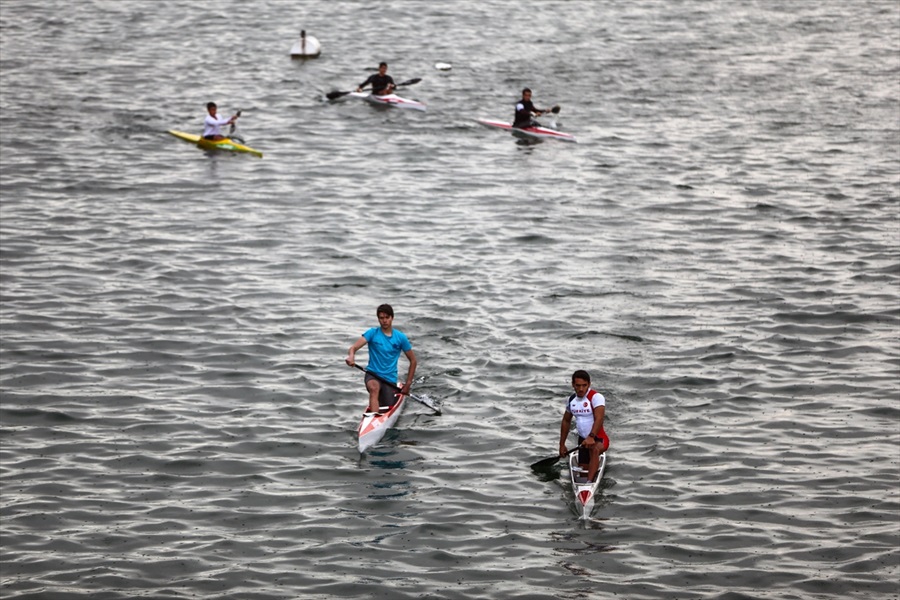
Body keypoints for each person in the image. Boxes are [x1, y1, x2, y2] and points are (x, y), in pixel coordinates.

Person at [345, 304, 417, 414]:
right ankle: (374, 418)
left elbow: (413, 361)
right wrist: (351, 356)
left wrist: (408, 385)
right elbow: (353, 348)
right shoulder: (372, 333)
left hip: (389, 379)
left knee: (386, 403)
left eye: (387, 317)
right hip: (373, 374)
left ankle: (382, 410)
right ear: (378, 319)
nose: (384, 321)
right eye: (381, 318)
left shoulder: (400, 338)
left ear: (392, 318)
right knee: (374, 389)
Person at [558, 370, 609, 482]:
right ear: (573, 385)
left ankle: (589, 483)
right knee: (583, 471)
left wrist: (591, 437)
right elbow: (566, 421)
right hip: (583, 441)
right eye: (578, 385)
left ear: (589, 384)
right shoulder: (571, 400)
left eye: (584, 385)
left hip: (598, 439)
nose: (581, 389)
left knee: (594, 450)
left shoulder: (596, 397)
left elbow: (599, 419)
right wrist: (562, 445)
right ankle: (586, 479)